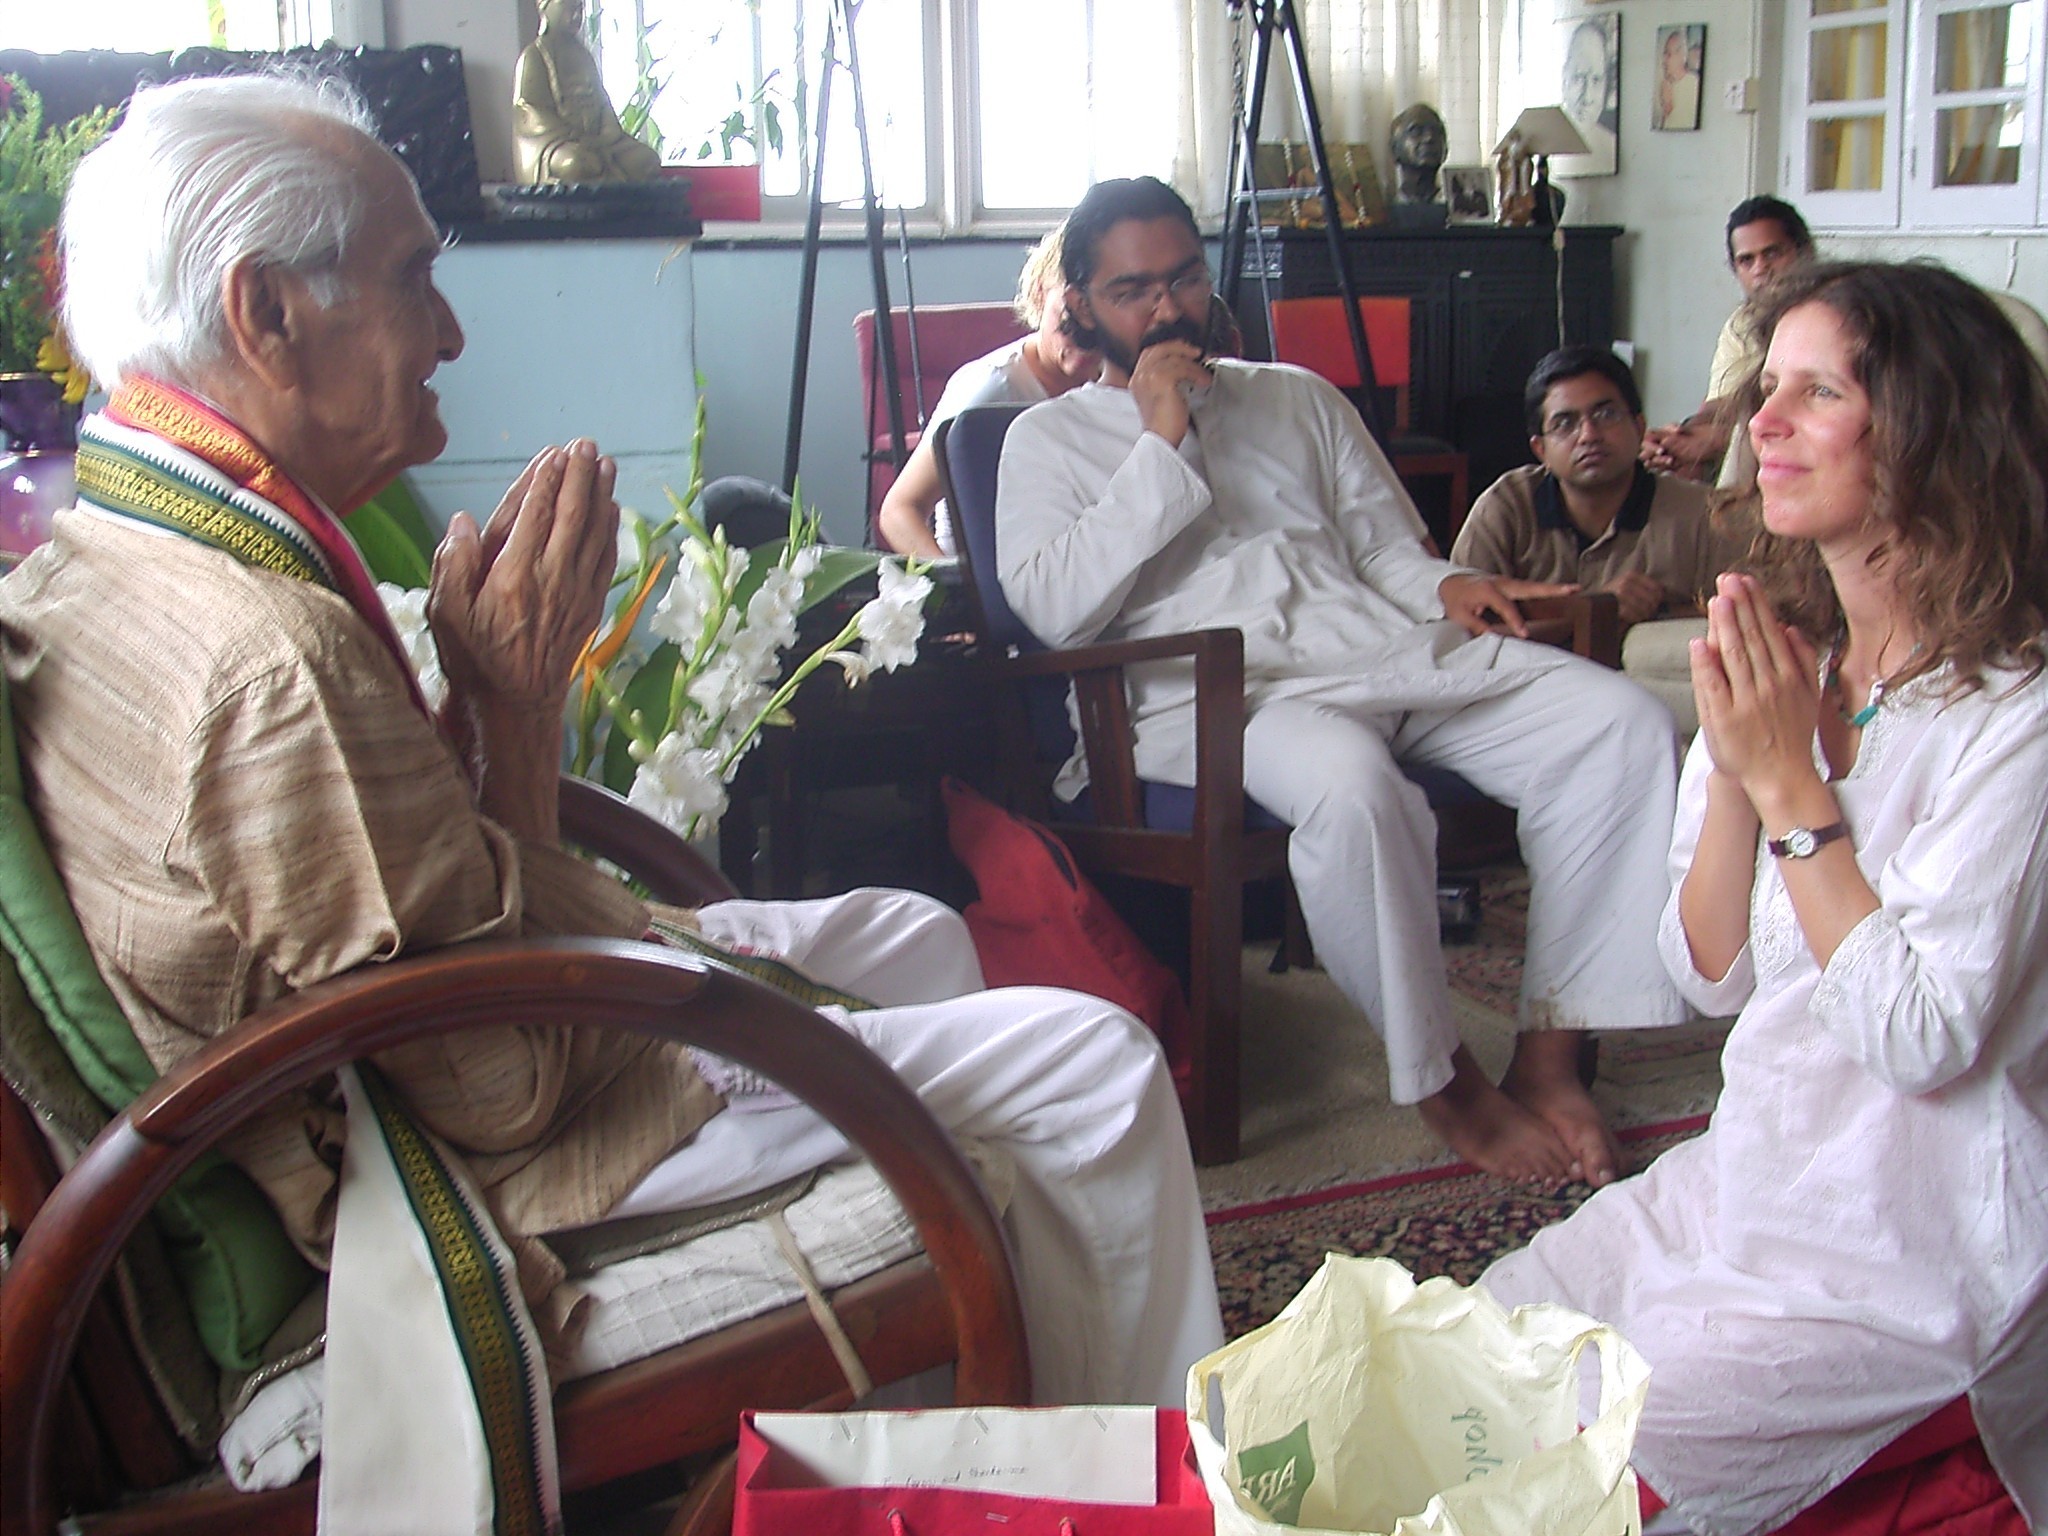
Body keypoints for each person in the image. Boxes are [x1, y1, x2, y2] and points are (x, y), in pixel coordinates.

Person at [2, 73, 1221, 1417]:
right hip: (445, 1164)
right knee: (1099, 1068)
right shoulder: (264, 663)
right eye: (415, 278)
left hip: (446, 1040)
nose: (452, 331)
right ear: (267, 314)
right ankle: (1129, 1475)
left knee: (915, 932)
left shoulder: (116, 548)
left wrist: (506, 717)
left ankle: (951, 1412)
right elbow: (501, 1089)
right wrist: (517, 715)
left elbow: (426, 935)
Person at [1482, 261, 2048, 1533]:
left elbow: (1920, 1035)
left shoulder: (2014, 717)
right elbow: (1706, 974)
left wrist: (1788, 781)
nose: (1762, 421)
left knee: (1577, 1454)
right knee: (1475, 1342)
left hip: (1914, 1250)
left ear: (1933, 432)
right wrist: (1740, 766)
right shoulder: (1796, 663)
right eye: (1766, 387)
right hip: (1751, 1180)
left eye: (1817, 392)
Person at [997, 177, 1689, 1187]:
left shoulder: (1296, 396)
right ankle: (1446, 1086)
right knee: (1356, 791)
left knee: (1620, 726)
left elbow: (1380, 549)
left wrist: (1449, 582)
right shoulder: (1044, 439)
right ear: (1079, 306)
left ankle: (1551, 1054)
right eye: (1131, 291)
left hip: (1381, 651)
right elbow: (1054, 609)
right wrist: (1159, 440)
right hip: (1219, 701)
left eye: (1182, 279)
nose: (1166, 309)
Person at [1452, 346, 1733, 631]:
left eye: (1606, 414)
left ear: (1639, 428)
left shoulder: (1704, 514)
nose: (1588, 435)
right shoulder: (1507, 505)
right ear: (1540, 449)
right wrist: (1596, 606)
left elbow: (1736, 617)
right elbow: (1459, 615)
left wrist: (1658, 611)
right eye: (1565, 424)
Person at [876, 230, 1101, 560]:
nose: (1084, 340)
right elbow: (899, 511)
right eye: (1069, 320)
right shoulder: (995, 386)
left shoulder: (1113, 383)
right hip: (987, 576)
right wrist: (956, 581)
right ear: (1041, 294)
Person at [1641, 196, 1813, 481]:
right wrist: (1680, 436)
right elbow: (1722, 403)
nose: (1761, 269)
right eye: (1747, 260)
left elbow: (1804, 415)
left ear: (1805, 251)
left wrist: (1714, 440)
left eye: (1772, 253)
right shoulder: (1742, 324)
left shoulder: (1832, 315)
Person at [514, 0, 662, 184]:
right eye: (569, 7)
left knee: (647, 159)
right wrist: (574, 135)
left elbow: (602, 102)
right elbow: (529, 110)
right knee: (578, 164)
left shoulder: (584, 56)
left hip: (597, 142)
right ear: (544, 6)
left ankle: (603, 176)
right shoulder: (534, 55)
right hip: (556, 145)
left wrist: (607, 132)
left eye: (580, 9)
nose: (576, 16)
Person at [1560, 18, 1618, 173]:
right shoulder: (1542, 145)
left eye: (1596, 80)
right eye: (1579, 78)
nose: (1587, 97)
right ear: (1564, 78)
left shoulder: (1609, 146)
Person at [1388, 103, 1448, 204]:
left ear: (1446, 149)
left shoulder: (1459, 207)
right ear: (1394, 149)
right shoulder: (1381, 208)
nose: (1429, 138)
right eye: (1416, 131)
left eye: (1436, 131)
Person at [1652, 27, 1702, 131]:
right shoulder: (1667, 84)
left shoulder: (1693, 84)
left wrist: (1668, 103)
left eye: (1669, 54)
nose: (1664, 61)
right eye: (1664, 55)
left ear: (1682, 56)